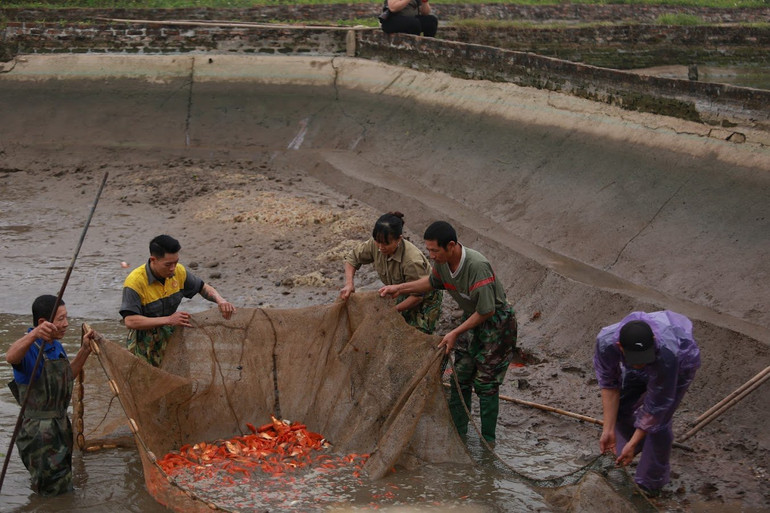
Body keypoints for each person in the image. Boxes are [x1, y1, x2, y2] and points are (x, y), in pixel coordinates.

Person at [379, 221, 517, 444]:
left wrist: (454, 332)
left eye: (434, 250)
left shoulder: (476, 266)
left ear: (451, 246)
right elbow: (432, 283)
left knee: (486, 383)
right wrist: (399, 288)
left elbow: (487, 310)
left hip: (497, 323)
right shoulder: (442, 264)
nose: (431, 255)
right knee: (459, 377)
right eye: (429, 250)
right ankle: (459, 434)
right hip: (471, 319)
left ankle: (488, 441)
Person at [593, 310, 701, 497]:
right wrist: (607, 429)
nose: (640, 364)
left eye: (643, 359)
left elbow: (656, 406)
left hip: (679, 363)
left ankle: (650, 482)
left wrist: (633, 442)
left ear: (652, 339)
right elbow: (609, 385)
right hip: (643, 358)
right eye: (636, 360)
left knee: (658, 424)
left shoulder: (668, 353)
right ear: (620, 346)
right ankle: (638, 444)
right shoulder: (606, 343)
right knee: (622, 408)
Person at [5, 295, 94, 496]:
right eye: (60, 319)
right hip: (39, 434)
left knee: (60, 485)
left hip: (59, 427)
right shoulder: (30, 348)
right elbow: (11, 356)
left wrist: (84, 350)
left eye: (66, 317)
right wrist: (34, 335)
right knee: (52, 490)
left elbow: (67, 376)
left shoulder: (56, 345)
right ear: (43, 323)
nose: (66, 324)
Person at [119, 234, 235, 367]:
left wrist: (221, 300)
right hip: (143, 341)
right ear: (153, 260)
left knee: (178, 373)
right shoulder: (135, 282)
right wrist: (168, 320)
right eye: (168, 264)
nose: (173, 268)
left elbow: (202, 288)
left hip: (170, 335)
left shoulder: (178, 272)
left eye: (176, 262)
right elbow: (130, 321)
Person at [340, 212, 443, 334]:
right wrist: (349, 283)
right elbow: (352, 258)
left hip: (425, 296)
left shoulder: (411, 261)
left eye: (386, 243)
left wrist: (392, 311)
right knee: (389, 328)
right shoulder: (376, 244)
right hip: (399, 291)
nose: (380, 247)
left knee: (415, 335)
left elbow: (417, 296)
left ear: (399, 239)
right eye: (378, 241)